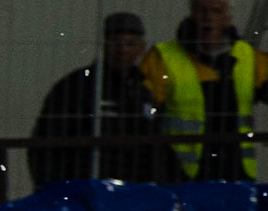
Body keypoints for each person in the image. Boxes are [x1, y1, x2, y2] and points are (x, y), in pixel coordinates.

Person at [27, 11, 177, 188]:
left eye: (130, 43)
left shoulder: (143, 93)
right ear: (104, 44)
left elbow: (155, 148)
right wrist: (55, 189)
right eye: (116, 42)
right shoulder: (77, 87)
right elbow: (47, 143)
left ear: (141, 48)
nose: (123, 50)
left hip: (133, 193)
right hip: (86, 191)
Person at [141, 0, 268, 182]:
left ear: (227, 19)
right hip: (181, 174)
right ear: (192, 16)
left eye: (216, 11)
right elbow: (141, 110)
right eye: (202, 10)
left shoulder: (249, 57)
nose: (208, 17)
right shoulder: (164, 57)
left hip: (236, 172)